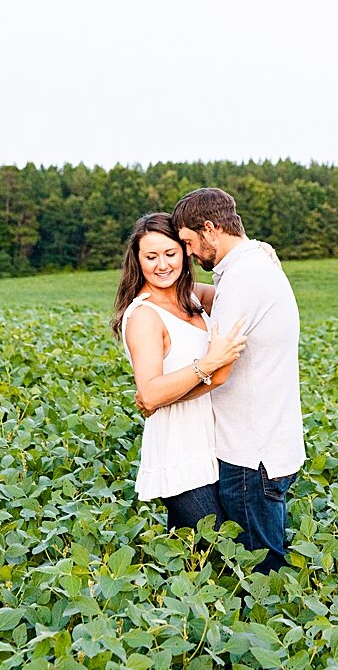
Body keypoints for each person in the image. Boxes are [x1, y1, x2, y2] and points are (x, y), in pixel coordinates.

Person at [169, 187, 305, 574]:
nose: (190, 254)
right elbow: (214, 298)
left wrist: (163, 399)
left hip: (250, 453)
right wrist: (158, 283)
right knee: (259, 563)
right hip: (267, 444)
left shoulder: (245, 275)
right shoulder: (251, 267)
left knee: (260, 574)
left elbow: (218, 369)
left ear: (210, 230)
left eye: (189, 243)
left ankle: (266, 633)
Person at [112, 213, 248, 531]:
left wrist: (256, 253)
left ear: (185, 252)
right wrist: (209, 364)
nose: (162, 265)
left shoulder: (192, 296)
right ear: (137, 260)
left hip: (216, 447)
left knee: (191, 562)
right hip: (180, 453)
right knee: (222, 550)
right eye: (151, 256)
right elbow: (150, 393)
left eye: (170, 253)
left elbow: (244, 290)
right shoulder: (145, 315)